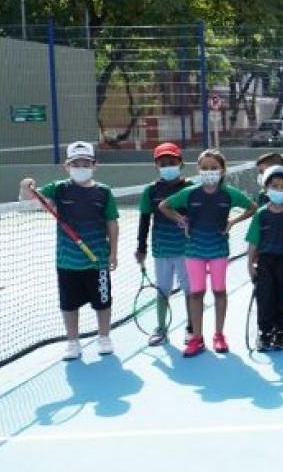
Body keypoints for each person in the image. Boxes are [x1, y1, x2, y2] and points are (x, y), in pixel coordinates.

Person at [19, 141, 120, 361]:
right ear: (67, 166)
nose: (81, 166)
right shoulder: (58, 188)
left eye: (85, 162)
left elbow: (112, 222)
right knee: (68, 304)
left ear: (94, 165)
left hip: (98, 260)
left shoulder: (104, 192)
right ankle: (72, 342)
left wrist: (113, 253)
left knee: (103, 302)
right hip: (67, 262)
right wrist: (26, 186)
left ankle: (104, 337)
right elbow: (31, 197)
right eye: (76, 163)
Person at [160, 148, 256, 357]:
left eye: (214, 168)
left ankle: (219, 335)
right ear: (198, 170)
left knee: (219, 291)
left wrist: (232, 222)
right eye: (205, 168)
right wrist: (180, 219)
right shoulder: (189, 193)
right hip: (193, 251)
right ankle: (197, 337)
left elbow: (252, 207)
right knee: (196, 293)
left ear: (222, 171)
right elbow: (164, 206)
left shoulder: (230, 194)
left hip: (218, 251)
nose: (209, 172)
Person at [135, 142, 191, 346]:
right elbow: (144, 219)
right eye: (163, 162)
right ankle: (161, 328)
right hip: (161, 250)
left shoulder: (190, 188)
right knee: (163, 290)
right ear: (156, 166)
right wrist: (141, 247)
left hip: (186, 250)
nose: (168, 165)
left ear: (181, 164)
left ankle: (192, 328)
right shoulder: (150, 191)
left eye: (172, 162)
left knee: (190, 291)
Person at [244, 166, 283, 352]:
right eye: (275, 186)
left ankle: (280, 332)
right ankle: (265, 332)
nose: (279, 189)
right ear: (267, 189)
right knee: (265, 297)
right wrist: (250, 264)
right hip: (265, 262)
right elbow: (253, 241)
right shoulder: (261, 214)